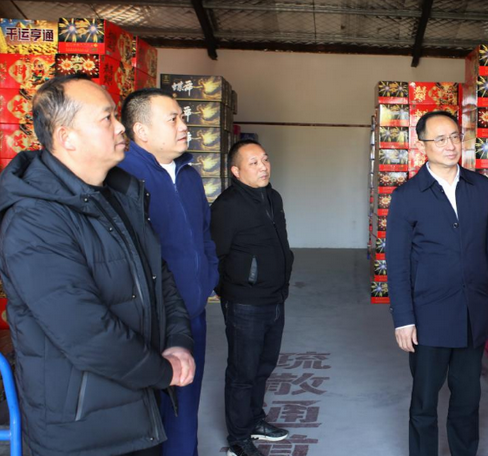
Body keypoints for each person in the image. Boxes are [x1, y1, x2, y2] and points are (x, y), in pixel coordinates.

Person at [0, 75, 195, 456]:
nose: (121, 126)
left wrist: (178, 343)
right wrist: (162, 371)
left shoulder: (118, 196)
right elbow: (85, 332)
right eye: (107, 118)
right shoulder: (33, 221)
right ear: (67, 137)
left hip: (138, 412)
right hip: (82, 432)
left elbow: (160, 279)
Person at [386, 111, 488, 456]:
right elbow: (396, 262)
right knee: (424, 402)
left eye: (455, 136)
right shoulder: (407, 196)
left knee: (468, 398)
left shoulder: (479, 187)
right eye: (440, 139)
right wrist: (403, 319)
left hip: (472, 311)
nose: (450, 145)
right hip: (429, 315)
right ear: (422, 145)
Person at [119, 88, 219, 456]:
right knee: (145, 415)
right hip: (145, 321)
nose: (184, 126)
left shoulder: (188, 175)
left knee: (185, 410)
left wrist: (208, 278)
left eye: (183, 117)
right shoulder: (122, 177)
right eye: (173, 119)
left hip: (191, 313)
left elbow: (204, 234)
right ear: (141, 131)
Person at [210, 139, 294, 456]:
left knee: (263, 366)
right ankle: (239, 438)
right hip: (245, 302)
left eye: (265, 160)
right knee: (242, 372)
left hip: (275, 297)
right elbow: (215, 255)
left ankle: (255, 420)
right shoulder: (227, 206)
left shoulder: (273, 197)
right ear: (236, 171)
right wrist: (235, 290)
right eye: (254, 163)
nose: (263, 167)